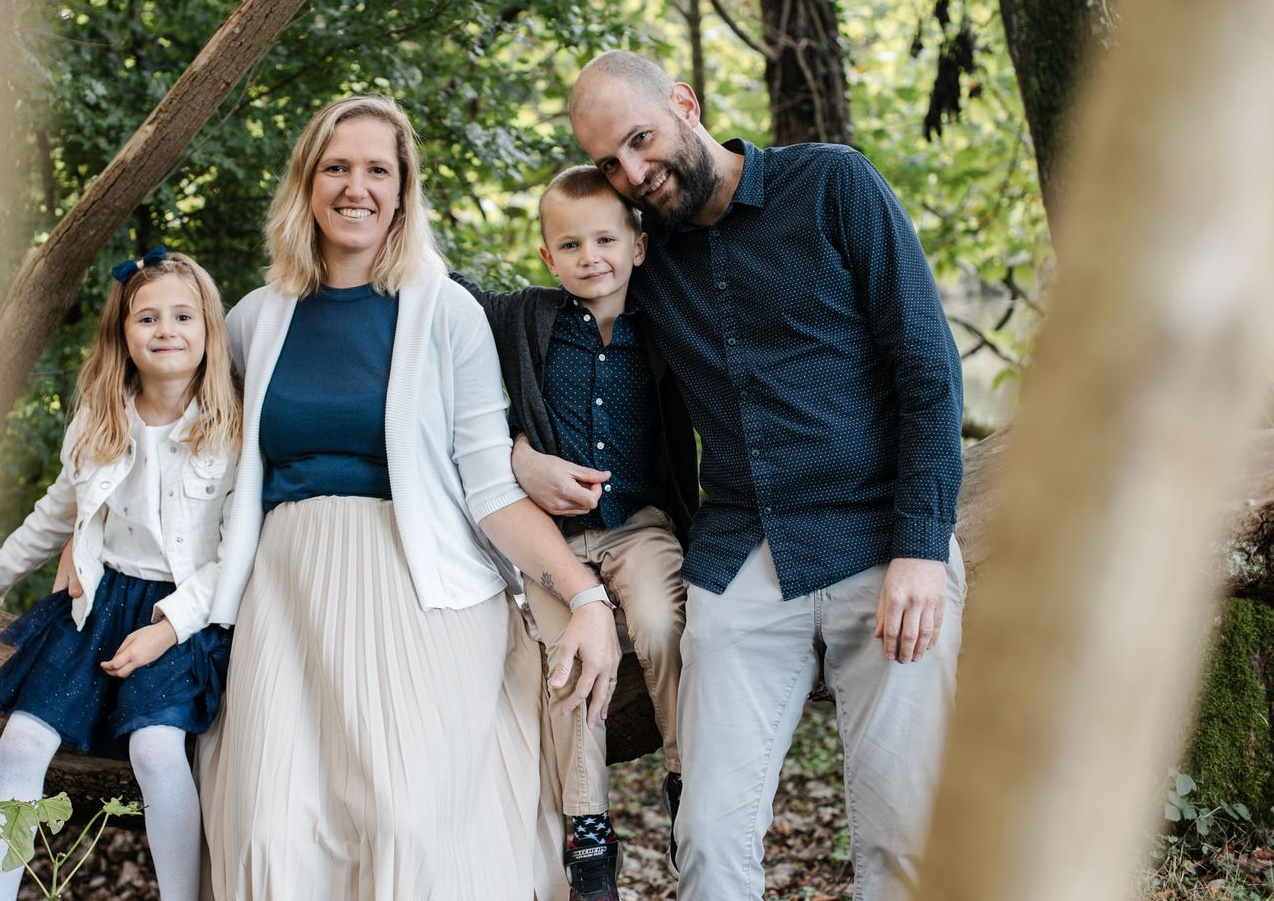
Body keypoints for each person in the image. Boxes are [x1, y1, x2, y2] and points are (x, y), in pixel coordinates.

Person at [512, 50, 967, 900]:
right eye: (610, 162)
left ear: (685, 104)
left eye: (641, 140)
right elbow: (548, 341)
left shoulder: (831, 185)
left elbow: (928, 368)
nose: (633, 173)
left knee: (904, 842)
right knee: (709, 839)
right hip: (743, 555)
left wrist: (921, 548)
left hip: (882, 541)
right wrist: (519, 454)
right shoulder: (644, 256)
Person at [186, 95, 621, 900]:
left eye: (377, 170)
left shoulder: (445, 312)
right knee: (268, 830)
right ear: (307, 183)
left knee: (404, 825)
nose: (356, 187)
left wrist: (585, 596)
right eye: (336, 167)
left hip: (420, 588)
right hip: (285, 595)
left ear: (402, 190)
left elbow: (490, 486)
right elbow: (186, 461)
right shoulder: (253, 320)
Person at [0, 248, 240, 901]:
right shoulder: (100, 419)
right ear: (123, 333)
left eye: (182, 316)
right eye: (147, 317)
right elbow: (54, 517)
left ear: (208, 329)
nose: (165, 330)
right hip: (96, 606)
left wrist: (167, 629)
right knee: (22, 743)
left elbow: (235, 557)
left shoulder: (232, 430)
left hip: (182, 617)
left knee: (157, 751)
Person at [452, 165, 698, 900]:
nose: (590, 256)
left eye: (605, 240)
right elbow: (446, 293)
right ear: (547, 257)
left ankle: (687, 779)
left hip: (640, 526)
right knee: (568, 665)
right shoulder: (523, 319)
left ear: (638, 246)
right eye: (570, 245)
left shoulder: (665, 328)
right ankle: (589, 830)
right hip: (551, 543)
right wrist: (517, 452)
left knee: (662, 622)